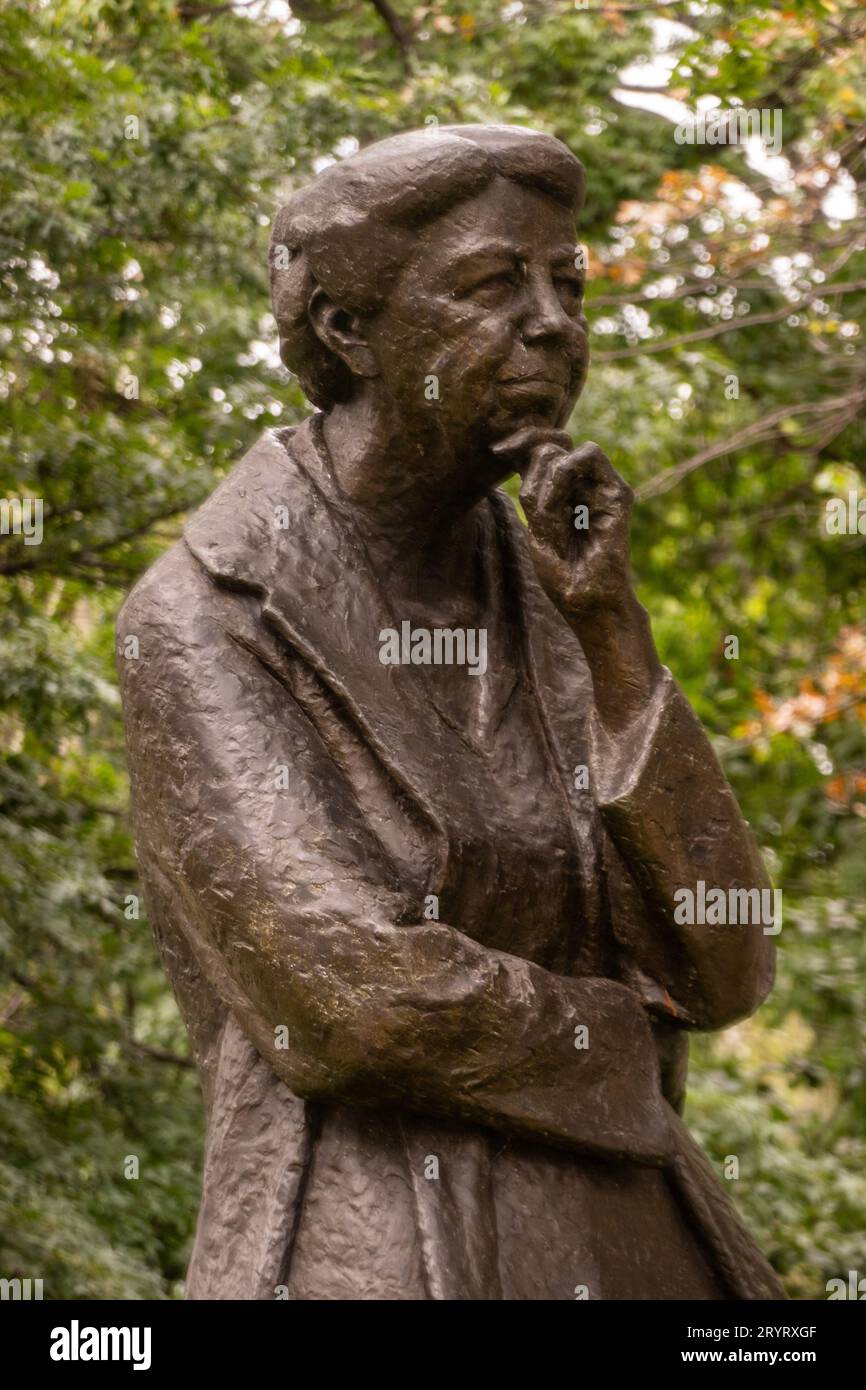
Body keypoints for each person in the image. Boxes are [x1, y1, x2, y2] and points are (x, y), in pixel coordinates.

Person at [118, 124, 784, 1300]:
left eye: (564, 282)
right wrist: (621, 1035)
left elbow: (726, 964)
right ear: (347, 328)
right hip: (371, 1243)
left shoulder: (555, 588)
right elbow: (350, 1002)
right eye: (491, 284)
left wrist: (615, 639)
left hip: (643, 1248)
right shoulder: (204, 613)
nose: (551, 321)